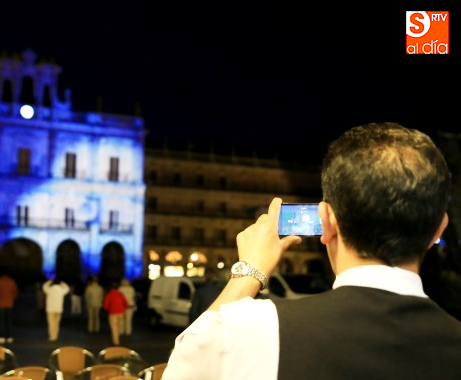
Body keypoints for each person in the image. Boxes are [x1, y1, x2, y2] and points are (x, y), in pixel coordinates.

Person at [163, 123, 461, 379]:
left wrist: (248, 272)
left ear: (326, 222)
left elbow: (183, 365)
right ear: (439, 229)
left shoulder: (256, 330)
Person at [0, 267, 18, 343]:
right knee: (8, 321)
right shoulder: (11, 281)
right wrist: (12, 299)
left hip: (0, 303)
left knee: (1, 320)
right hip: (9, 303)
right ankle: (9, 336)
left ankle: (1, 336)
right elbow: (15, 292)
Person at [42, 277, 70, 342]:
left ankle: (52, 336)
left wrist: (49, 281)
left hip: (50, 309)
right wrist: (62, 283)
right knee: (57, 323)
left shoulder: (49, 289)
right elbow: (67, 288)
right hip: (59, 309)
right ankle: (56, 335)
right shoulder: (61, 290)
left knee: (51, 323)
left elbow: (44, 286)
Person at [103, 280, 128, 346]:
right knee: (119, 327)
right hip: (121, 312)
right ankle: (117, 339)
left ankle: (116, 342)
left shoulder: (110, 294)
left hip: (112, 313)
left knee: (114, 327)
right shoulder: (120, 294)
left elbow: (105, 305)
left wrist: (108, 309)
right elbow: (126, 303)